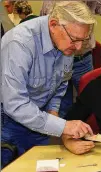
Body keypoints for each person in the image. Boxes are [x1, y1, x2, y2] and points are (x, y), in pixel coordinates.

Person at [1, 1, 95, 160]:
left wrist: (53, 115)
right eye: (74, 39)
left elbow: (59, 86)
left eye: (83, 40)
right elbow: (15, 104)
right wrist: (63, 126)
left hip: (40, 119)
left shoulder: (66, 43)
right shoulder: (20, 43)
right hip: (7, 123)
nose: (79, 48)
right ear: (53, 25)